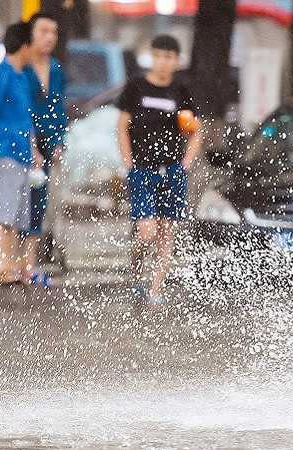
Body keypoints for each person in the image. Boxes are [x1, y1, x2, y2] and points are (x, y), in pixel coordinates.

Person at [116, 35, 202, 308]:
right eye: (160, 56)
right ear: (152, 56)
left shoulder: (181, 91)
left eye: (170, 57)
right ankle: (137, 271)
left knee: (166, 231)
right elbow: (122, 126)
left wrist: (185, 164)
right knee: (146, 232)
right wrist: (129, 162)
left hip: (173, 171)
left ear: (177, 61)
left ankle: (155, 289)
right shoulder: (136, 87)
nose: (164, 62)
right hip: (142, 169)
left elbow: (196, 131)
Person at [0, 22, 46, 286]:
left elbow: (24, 119)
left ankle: (8, 266)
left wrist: (32, 149)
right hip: (2, 153)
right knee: (0, 213)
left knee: (14, 216)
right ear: (25, 45)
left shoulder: (21, 78)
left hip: (20, 155)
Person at [22, 12, 68, 281]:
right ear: (31, 33)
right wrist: (31, 147)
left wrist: (60, 141)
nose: (49, 37)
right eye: (43, 31)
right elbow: (18, 109)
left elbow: (59, 108)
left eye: (54, 32)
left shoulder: (57, 69)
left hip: (48, 143)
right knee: (17, 204)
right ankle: (7, 262)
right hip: (21, 142)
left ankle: (30, 266)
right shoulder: (21, 67)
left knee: (40, 203)